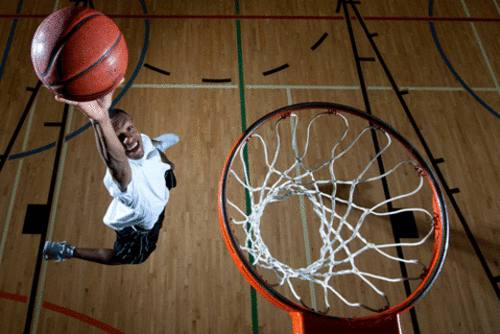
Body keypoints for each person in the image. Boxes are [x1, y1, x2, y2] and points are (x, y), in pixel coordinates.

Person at [43, 80, 178, 265]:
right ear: (113, 143)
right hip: (142, 225)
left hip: (157, 197)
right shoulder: (128, 181)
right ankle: (67, 251)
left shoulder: (140, 142)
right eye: (119, 138)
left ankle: (158, 147)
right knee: (126, 258)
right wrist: (99, 119)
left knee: (163, 165)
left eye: (130, 128)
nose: (129, 138)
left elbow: (139, 140)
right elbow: (117, 163)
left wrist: (162, 157)